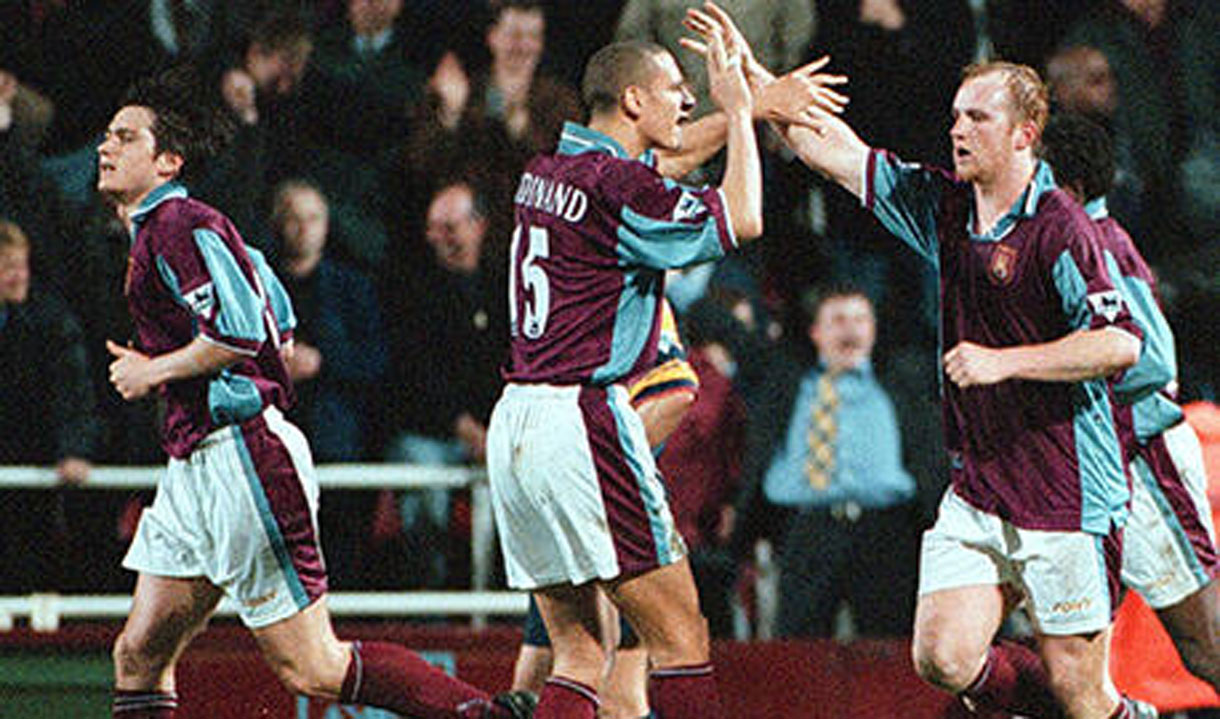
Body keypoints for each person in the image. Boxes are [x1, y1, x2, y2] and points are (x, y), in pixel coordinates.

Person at [685, 6, 1148, 717]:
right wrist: (759, 85)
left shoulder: (1063, 228)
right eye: (957, 116)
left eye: (978, 119)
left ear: (1026, 134)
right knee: (942, 656)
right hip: (979, 487)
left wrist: (1004, 363)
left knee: (1083, 691)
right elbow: (835, 151)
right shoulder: (943, 204)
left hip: (1066, 492)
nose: (958, 129)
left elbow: (1119, 343)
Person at [98, 66, 533, 719]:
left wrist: (153, 371)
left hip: (242, 456)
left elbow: (241, 333)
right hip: (198, 462)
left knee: (312, 665)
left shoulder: (176, 223)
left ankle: (486, 715)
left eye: (125, 137)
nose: (106, 146)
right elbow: (270, 300)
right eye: (107, 134)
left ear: (167, 161)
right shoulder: (180, 227)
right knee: (137, 655)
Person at [485, 28, 763, 718]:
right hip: (585, 416)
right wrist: (741, 111)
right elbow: (745, 216)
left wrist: (748, 108)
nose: (688, 98)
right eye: (676, 88)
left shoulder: (544, 172)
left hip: (515, 421)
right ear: (635, 99)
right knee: (681, 636)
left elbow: (649, 170)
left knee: (577, 653)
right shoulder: (619, 187)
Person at [1041, 111, 1220, 692]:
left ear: (1065, 188)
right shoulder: (1053, 243)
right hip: (1086, 470)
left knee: (1207, 643)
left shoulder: (1097, 245)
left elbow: (1153, 360)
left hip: (1140, 456)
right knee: (1070, 650)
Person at [737, 285, 921, 639]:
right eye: (838, 320)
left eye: (860, 319)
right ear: (815, 332)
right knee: (797, 651)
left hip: (886, 534)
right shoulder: (787, 383)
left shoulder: (904, 382)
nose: (850, 330)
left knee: (892, 650)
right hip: (806, 531)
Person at [0, 219, 102, 593]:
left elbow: (73, 390)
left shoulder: (52, 320)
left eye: (22, 265)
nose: (19, 276)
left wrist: (74, 449)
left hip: (34, 456)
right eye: (8, 267)